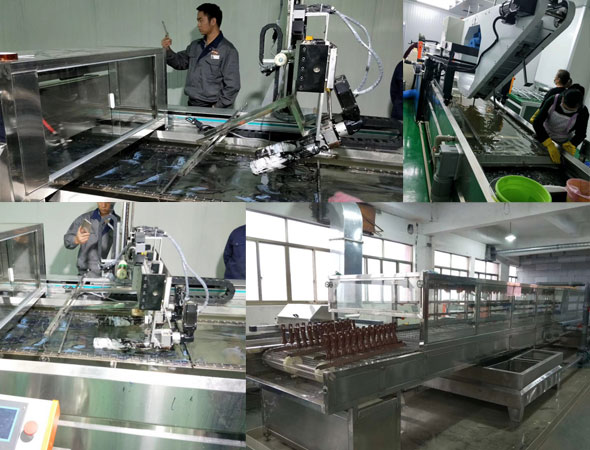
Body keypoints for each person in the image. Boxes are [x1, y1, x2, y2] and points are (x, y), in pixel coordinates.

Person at [162, 3, 240, 108]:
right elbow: (180, 63)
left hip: (212, 108)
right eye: (198, 21)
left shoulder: (228, 50)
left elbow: (233, 85)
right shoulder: (195, 46)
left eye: (201, 20)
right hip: (192, 105)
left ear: (213, 21)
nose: (198, 25)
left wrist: (217, 107)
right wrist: (167, 49)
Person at [533, 84, 589, 164]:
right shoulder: (553, 100)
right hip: (542, 135)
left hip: (562, 142)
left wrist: (571, 144)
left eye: (571, 110)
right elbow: (537, 122)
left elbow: (581, 134)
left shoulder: (583, 111)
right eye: (565, 108)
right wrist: (548, 143)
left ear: (579, 106)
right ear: (562, 98)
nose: (567, 111)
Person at [64, 203, 120, 277]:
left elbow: (124, 248)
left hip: (108, 274)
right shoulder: (87, 220)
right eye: (101, 201)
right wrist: (76, 239)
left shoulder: (119, 223)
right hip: (85, 274)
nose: (103, 205)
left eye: (107, 202)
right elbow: (67, 241)